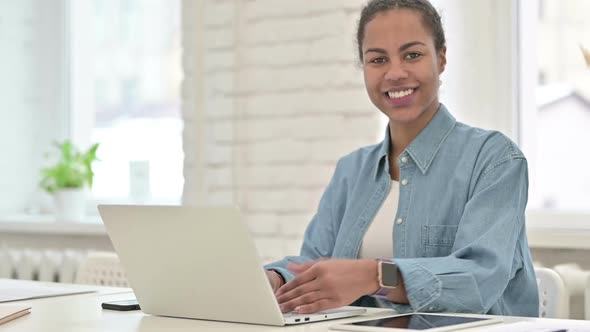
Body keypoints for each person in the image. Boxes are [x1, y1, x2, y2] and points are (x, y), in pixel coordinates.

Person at [264, 0, 539, 317]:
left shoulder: (494, 159)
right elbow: (314, 267)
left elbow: (479, 279)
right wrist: (273, 279)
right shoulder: (350, 171)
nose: (395, 73)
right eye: (378, 59)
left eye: (412, 54)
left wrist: (375, 276)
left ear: (442, 57)